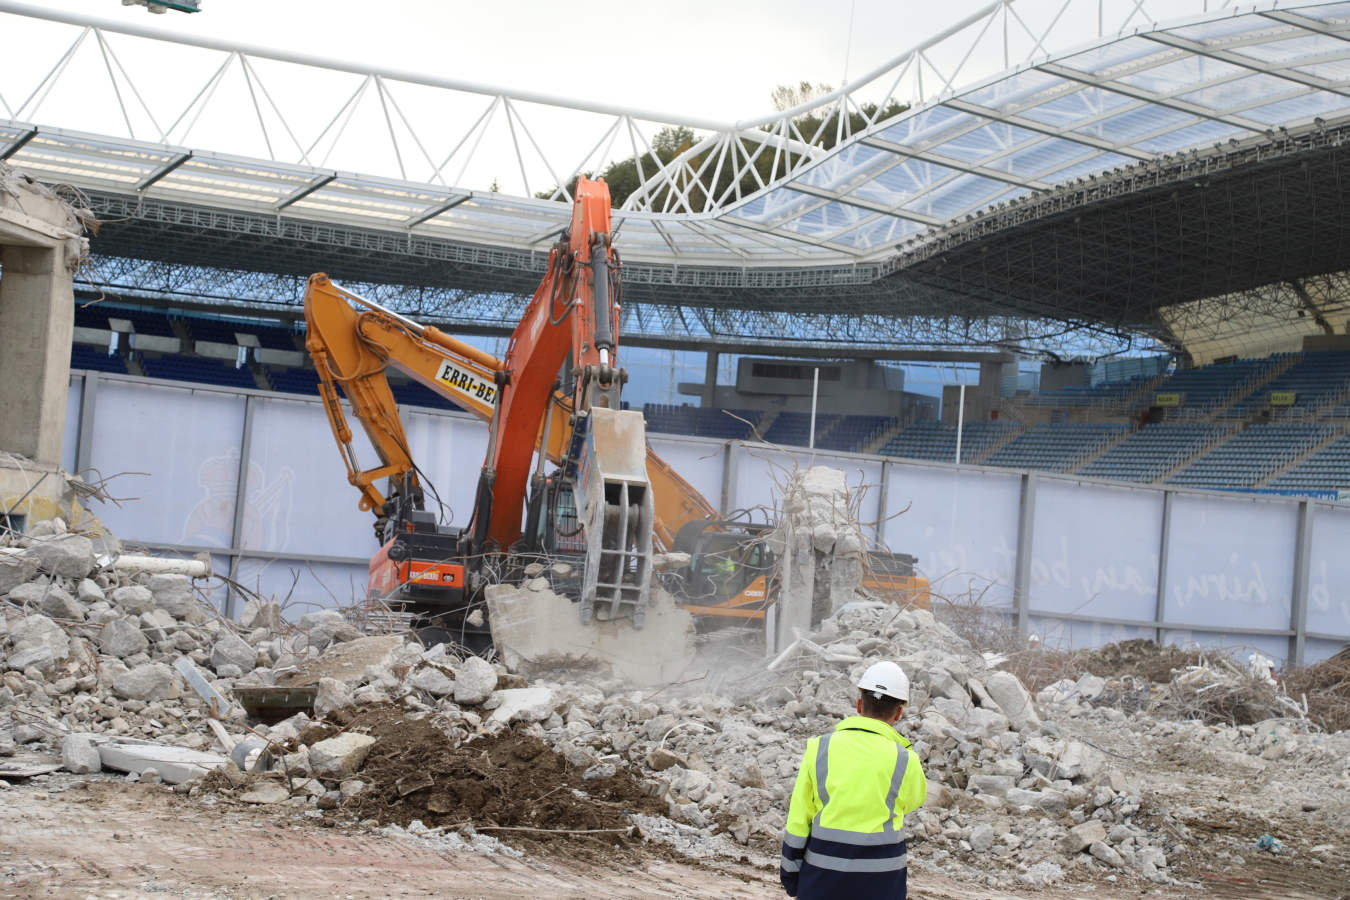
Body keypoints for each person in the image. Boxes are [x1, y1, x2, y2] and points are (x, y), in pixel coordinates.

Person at [780, 660, 926, 899]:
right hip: (883, 885)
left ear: (859, 704)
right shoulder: (905, 759)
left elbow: (799, 819)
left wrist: (790, 874)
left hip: (821, 880)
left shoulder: (820, 748)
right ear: (898, 713)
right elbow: (913, 801)